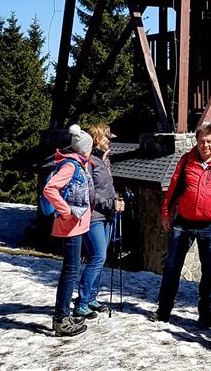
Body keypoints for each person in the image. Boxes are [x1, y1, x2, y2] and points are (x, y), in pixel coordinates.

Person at [150, 121, 211, 326]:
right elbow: (173, 187)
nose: (205, 145)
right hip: (184, 222)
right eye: (201, 142)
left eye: (209, 141)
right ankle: (164, 310)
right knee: (172, 266)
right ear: (196, 143)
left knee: (209, 272)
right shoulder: (186, 160)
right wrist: (166, 212)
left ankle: (205, 313)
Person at [43, 124, 95, 337]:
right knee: (70, 272)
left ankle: (63, 315)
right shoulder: (71, 166)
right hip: (70, 226)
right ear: (85, 149)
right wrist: (65, 212)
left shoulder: (78, 164)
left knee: (71, 271)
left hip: (75, 225)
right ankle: (61, 319)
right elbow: (50, 189)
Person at [74, 123, 125, 318]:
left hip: (107, 215)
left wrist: (117, 201)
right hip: (94, 215)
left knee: (101, 257)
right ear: (97, 139)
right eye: (107, 138)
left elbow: (106, 187)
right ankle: (82, 302)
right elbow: (90, 193)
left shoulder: (105, 160)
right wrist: (110, 204)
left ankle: (91, 298)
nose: (109, 141)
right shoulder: (89, 161)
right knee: (97, 256)